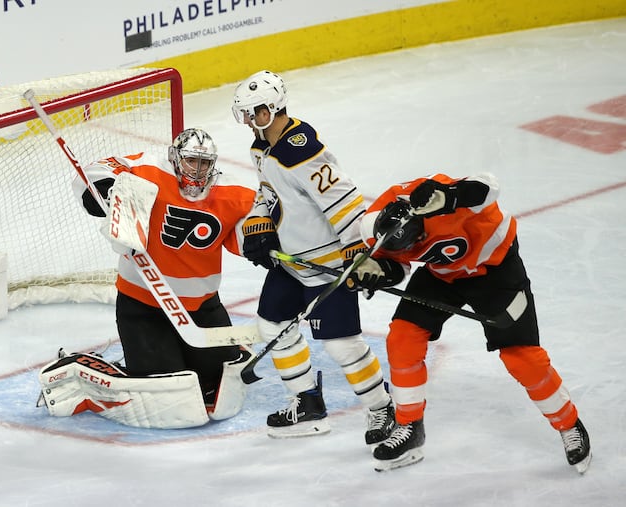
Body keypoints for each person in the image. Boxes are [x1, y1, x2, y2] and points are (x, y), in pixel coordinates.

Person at [349, 172, 591, 473]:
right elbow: (396, 266)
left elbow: (489, 187)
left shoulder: (428, 197)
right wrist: (377, 271)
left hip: (496, 269)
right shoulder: (376, 227)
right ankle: (410, 426)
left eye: (420, 236)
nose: (421, 242)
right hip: (442, 274)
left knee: (522, 358)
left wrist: (450, 196)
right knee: (402, 338)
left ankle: (569, 424)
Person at [231, 70, 395, 442]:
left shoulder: (300, 149)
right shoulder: (261, 147)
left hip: (326, 265)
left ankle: (382, 407)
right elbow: (268, 193)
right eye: (245, 113)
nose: (249, 121)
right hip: (291, 262)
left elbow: (343, 198)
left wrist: (357, 252)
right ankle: (306, 403)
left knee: (340, 344)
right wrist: (258, 220)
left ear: (273, 108)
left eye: (255, 112)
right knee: (273, 325)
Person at [57, 127, 257, 426]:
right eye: (191, 161)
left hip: (201, 309)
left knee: (216, 391)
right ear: (176, 157)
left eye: (205, 164)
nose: (198, 170)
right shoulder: (148, 168)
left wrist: (260, 238)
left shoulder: (231, 193)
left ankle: (219, 351)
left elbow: (254, 224)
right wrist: (110, 189)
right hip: (144, 306)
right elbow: (96, 171)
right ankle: (87, 370)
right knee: (168, 394)